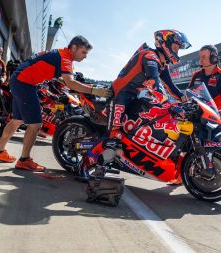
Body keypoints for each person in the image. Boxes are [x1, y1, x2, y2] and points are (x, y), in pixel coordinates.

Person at [78, 30, 191, 180]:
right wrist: (169, 105)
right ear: (165, 43)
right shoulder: (150, 57)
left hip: (134, 97)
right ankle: (83, 166)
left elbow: (170, 86)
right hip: (120, 96)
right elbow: (154, 83)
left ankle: (118, 157)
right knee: (114, 136)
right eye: (176, 47)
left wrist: (186, 100)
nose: (177, 52)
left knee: (136, 127)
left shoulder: (162, 63)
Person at [0, 36, 112, 172]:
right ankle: (24, 160)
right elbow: (70, 82)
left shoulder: (59, 54)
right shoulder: (65, 58)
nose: (85, 57)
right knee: (35, 124)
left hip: (20, 81)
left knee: (17, 120)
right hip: (25, 83)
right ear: (74, 47)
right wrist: (95, 91)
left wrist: (83, 88)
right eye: (83, 52)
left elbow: (65, 81)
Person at [187, 45, 221, 121]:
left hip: (214, 118)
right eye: (200, 57)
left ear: (214, 58)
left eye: (204, 57)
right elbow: (189, 93)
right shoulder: (196, 75)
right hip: (196, 117)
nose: (200, 60)